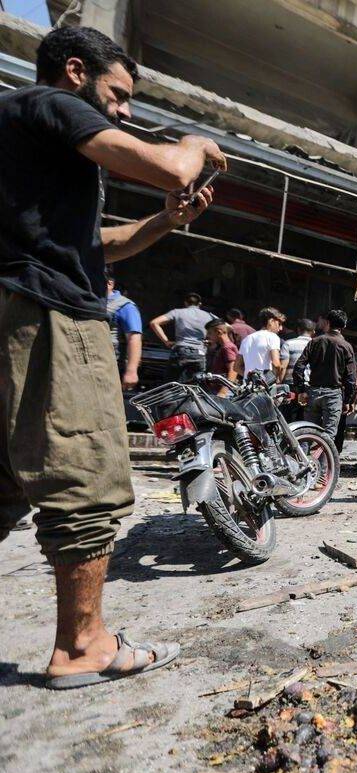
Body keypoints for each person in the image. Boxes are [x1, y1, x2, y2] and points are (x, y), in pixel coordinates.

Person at [0, 26, 223, 688]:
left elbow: (99, 245)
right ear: (74, 71)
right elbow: (170, 164)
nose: (123, 110)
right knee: (87, 478)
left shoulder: (26, 148)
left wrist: (165, 222)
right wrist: (191, 146)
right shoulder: (48, 103)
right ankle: (83, 645)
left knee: (6, 483)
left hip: (19, 308)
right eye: (118, 95)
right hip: (50, 319)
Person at [292, 308, 357, 442]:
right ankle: (323, 462)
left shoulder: (315, 342)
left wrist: (301, 390)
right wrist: (348, 401)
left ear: (327, 323)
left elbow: (298, 367)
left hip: (313, 392)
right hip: (334, 394)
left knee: (308, 432)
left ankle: (303, 461)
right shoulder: (346, 346)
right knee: (328, 437)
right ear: (344, 326)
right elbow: (351, 378)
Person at [149, 291, 215, 382]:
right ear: (199, 304)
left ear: (185, 303)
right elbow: (227, 327)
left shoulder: (177, 312)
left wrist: (166, 341)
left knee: (171, 385)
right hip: (200, 353)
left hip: (180, 352)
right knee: (195, 386)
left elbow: (154, 323)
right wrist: (211, 341)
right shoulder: (209, 316)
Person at [105, 275, 142, 391]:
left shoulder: (125, 306)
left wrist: (131, 371)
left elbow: (134, 338)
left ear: (109, 284)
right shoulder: (90, 301)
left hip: (110, 365)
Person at [237, 306, 284, 380]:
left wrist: (251, 378)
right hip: (265, 386)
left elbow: (236, 367)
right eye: (279, 324)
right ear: (271, 321)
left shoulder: (247, 339)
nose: (281, 328)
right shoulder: (272, 337)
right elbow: (276, 364)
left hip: (247, 386)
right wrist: (276, 379)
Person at [203, 319, 238, 396]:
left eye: (209, 333)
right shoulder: (222, 347)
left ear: (219, 332)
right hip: (215, 389)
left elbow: (233, 370)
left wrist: (223, 392)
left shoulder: (226, 347)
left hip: (223, 392)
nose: (207, 336)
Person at [278, 317, 314, 383]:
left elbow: (283, 366)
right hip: (310, 383)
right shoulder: (317, 345)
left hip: (291, 383)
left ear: (298, 330)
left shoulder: (288, 344)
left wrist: (279, 381)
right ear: (313, 331)